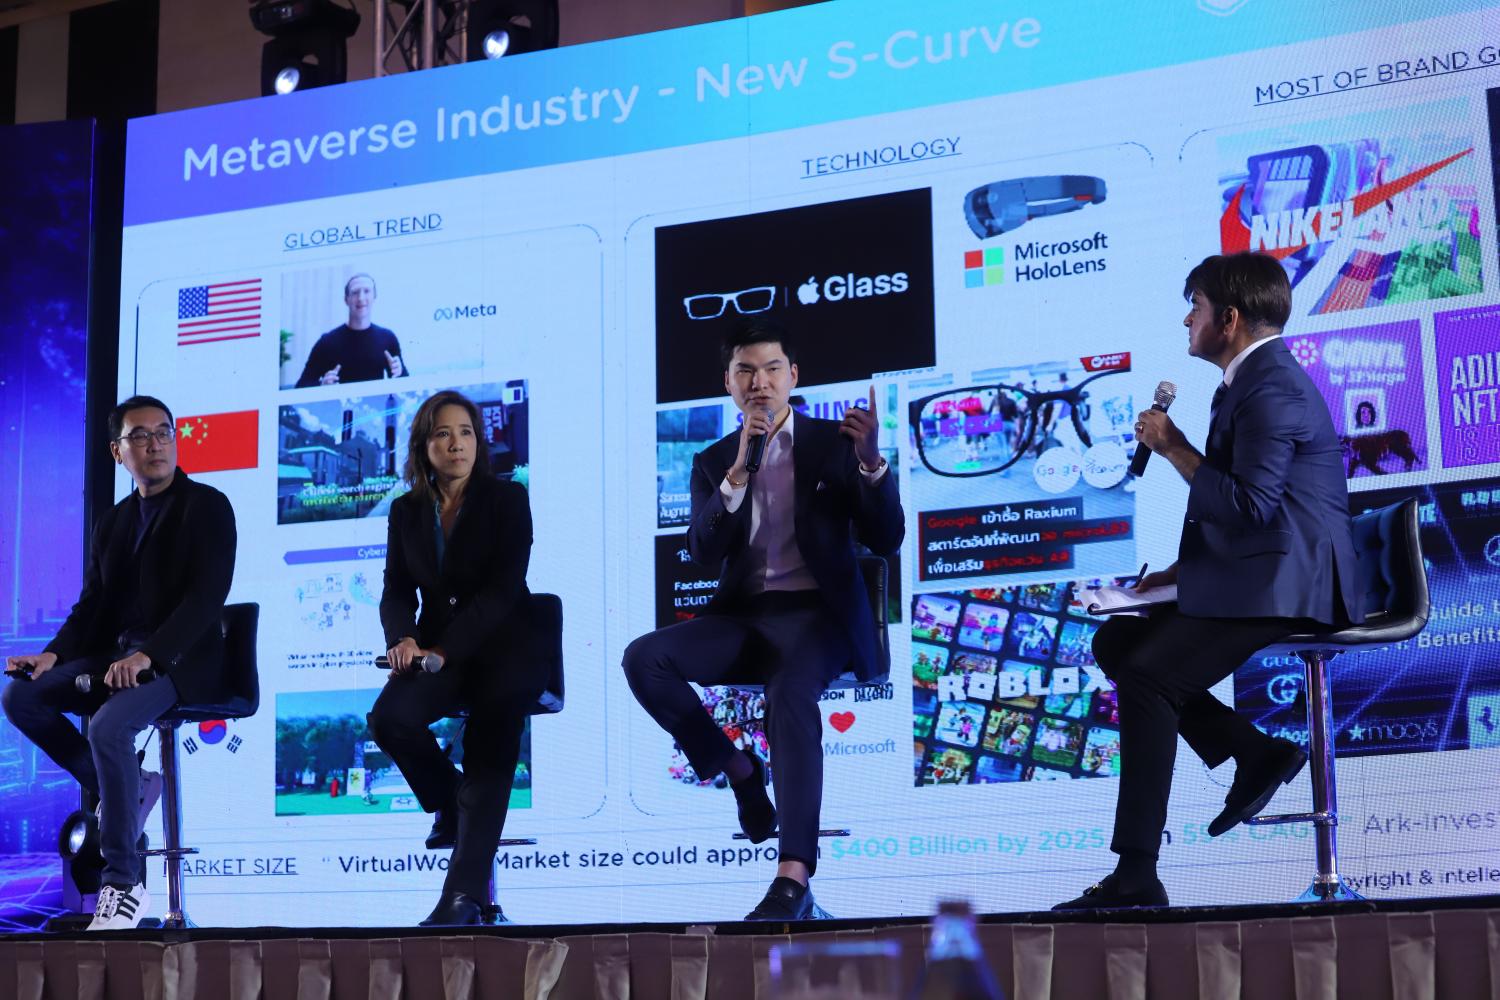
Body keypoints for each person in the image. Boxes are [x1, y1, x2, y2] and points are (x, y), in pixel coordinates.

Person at [1053, 252, 1363, 910]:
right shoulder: (1247, 383)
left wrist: (1172, 447)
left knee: (1149, 673)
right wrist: (1169, 580)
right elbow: (1251, 512)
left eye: (1193, 305)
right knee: (1116, 643)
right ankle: (1253, 754)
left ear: (1228, 318)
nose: (1185, 319)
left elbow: (1250, 506)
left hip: (1292, 583)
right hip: (1260, 570)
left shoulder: (1271, 386)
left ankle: (1137, 871)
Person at [622, 318, 904, 921]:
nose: (759, 382)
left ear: (793, 377)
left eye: (772, 369)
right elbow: (700, 552)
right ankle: (740, 771)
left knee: (791, 690)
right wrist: (737, 474)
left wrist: (872, 463)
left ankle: (793, 876)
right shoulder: (715, 458)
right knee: (644, 658)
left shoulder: (837, 443)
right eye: (745, 371)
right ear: (728, 383)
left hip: (821, 618)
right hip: (747, 616)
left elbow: (887, 537)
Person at [2, 395, 237, 930]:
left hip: (182, 662)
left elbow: (205, 600)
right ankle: (128, 789)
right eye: (140, 436)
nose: (154, 445)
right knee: (21, 696)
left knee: (109, 726)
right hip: (114, 659)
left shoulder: (208, 506)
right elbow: (91, 609)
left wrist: (148, 654)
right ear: (117, 451)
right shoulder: (113, 523)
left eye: (163, 433)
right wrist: (51, 656)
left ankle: (123, 885)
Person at [368, 389, 543, 926]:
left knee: (491, 752)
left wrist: (441, 652)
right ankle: (451, 802)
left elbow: (501, 591)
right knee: (389, 720)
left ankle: (462, 897)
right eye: (443, 433)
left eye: (465, 432)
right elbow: (396, 588)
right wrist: (402, 640)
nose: (456, 443)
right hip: (435, 648)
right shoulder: (405, 510)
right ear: (424, 446)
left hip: (504, 646)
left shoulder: (507, 499)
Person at [294, 273, 408, 388]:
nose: (361, 298)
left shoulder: (388, 338)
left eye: (367, 291)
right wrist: (321, 385)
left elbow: (404, 382)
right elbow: (301, 385)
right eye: (355, 292)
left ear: (374, 297)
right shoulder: (327, 342)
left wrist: (400, 372)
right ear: (346, 300)